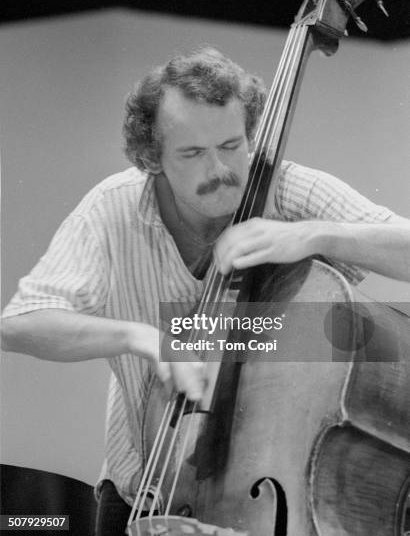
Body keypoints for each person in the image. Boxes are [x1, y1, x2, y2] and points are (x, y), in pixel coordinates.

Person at [2, 47, 409, 535]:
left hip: (270, 511)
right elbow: (21, 324)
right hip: (146, 498)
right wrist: (142, 338)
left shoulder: (287, 189)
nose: (220, 168)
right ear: (151, 157)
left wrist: (316, 234)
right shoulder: (112, 209)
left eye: (232, 144)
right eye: (193, 153)